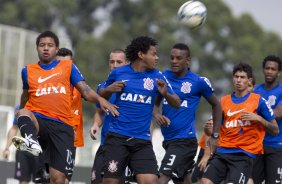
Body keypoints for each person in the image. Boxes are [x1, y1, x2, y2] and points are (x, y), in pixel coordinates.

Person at [11, 30, 119, 184]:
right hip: (40, 122)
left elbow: (86, 91)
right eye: (42, 45)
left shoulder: (68, 67)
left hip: (62, 127)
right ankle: (31, 141)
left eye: (50, 45)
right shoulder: (27, 71)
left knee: (59, 179)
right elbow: (25, 95)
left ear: (56, 49)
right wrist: (22, 111)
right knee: (23, 112)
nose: (46, 48)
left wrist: (102, 100)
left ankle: (32, 142)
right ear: (37, 48)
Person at [99, 36, 181, 184]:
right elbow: (100, 95)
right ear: (141, 55)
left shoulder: (157, 76)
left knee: (151, 181)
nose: (156, 58)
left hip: (141, 141)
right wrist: (109, 89)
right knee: (110, 182)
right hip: (117, 138)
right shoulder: (119, 73)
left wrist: (166, 94)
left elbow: (177, 103)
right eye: (153, 54)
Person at [153, 43, 222, 184]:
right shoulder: (164, 76)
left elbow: (217, 105)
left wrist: (215, 135)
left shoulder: (198, 82)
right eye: (172, 58)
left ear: (188, 60)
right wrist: (157, 115)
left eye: (179, 58)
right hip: (168, 141)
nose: (174, 61)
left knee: (162, 178)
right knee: (184, 180)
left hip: (184, 141)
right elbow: (154, 104)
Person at [202, 63, 279, 184]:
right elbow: (211, 131)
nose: (238, 80)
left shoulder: (259, 101)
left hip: (243, 155)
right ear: (233, 79)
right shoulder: (223, 101)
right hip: (222, 152)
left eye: (242, 77)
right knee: (205, 181)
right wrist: (208, 129)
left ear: (249, 81)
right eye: (236, 76)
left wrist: (259, 119)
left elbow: (275, 130)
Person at [90, 49, 128, 184]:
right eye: (112, 62)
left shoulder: (133, 87)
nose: (115, 65)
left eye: (119, 62)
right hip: (104, 145)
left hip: (125, 148)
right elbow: (99, 111)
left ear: (127, 63)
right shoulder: (102, 87)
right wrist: (96, 124)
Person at [251, 55, 282, 184]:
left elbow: (278, 114)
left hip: (276, 146)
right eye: (267, 68)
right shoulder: (255, 90)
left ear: (279, 73)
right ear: (263, 70)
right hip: (256, 146)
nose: (269, 71)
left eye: (273, 69)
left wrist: (257, 116)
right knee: (251, 181)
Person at [3, 105, 48, 184]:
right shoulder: (20, 107)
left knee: (40, 180)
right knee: (23, 180)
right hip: (23, 148)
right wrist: (7, 148)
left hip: (40, 149)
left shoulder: (45, 104)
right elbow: (14, 128)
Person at [56, 47, 85, 148]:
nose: (64, 67)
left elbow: (92, 96)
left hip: (72, 138)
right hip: (53, 136)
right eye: (60, 63)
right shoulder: (48, 86)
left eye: (67, 64)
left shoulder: (80, 86)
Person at [191, 118, 213, 184]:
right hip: (208, 148)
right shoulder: (220, 108)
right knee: (197, 178)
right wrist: (207, 154)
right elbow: (209, 125)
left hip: (229, 149)